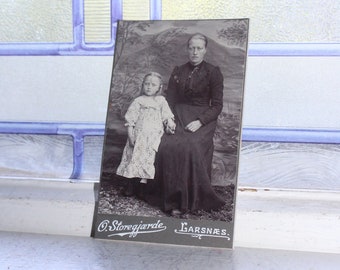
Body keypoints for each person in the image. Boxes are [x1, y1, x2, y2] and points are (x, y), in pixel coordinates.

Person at [154, 33, 226, 216]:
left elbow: (217, 105)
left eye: (199, 48)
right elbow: (169, 100)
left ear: (205, 50)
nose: (195, 52)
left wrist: (200, 122)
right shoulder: (178, 71)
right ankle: (168, 198)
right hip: (177, 115)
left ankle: (190, 200)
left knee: (190, 146)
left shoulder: (213, 72)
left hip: (202, 118)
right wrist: (168, 118)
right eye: (192, 48)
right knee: (166, 144)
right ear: (187, 49)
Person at [116, 72, 175, 197]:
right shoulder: (139, 101)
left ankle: (143, 189)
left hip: (154, 137)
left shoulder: (161, 100)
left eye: (153, 85)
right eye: (147, 84)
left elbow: (167, 115)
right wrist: (131, 136)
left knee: (148, 160)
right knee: (135, 158)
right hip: (139, 136)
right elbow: (130, 121)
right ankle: (130, 186)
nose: (149, 87)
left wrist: (169, 123)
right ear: (143, 85)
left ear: (159, 87)